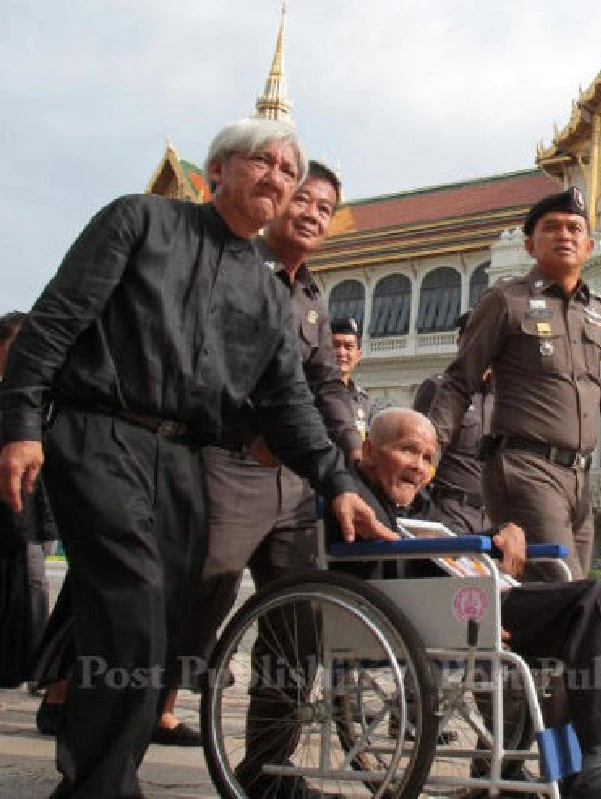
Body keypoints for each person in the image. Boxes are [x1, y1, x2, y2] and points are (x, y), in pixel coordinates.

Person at [0, 117, 394, 799]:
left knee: (163, 627)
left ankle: (97, 773)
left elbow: (290, 403)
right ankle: (103, 784)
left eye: (289, 171)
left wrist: (339, 481)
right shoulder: (140, 222)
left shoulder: (269, 295)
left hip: (186, 462)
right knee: (131, 603)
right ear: (218, 172)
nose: (278, 179)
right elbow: (55, 321)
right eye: (263, 163)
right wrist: (20, 423)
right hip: (101, 433)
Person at [326, 408, 601, 799]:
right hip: (435, 615)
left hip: (463, 605)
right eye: (408, 451)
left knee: (588, 611)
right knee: (589, 601)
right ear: (369, 451)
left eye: (429, 458)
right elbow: (388, 572)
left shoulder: (418, 503)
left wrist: (501, 533)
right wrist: (471, 610)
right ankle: (597, 768)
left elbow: (453, 545)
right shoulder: (355, 500)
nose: (419, 467)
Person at [151, 160, 364, 747]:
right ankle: (145, 709)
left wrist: (351, 454)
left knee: (300, 611)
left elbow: (326, 386)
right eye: (304, 200)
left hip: (294, 476)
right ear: (276, 203)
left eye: (325, 209)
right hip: (229, 459)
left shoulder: (315, 298)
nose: (313, 215)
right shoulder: (235, 266)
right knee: (203, 589)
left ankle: (269, 761)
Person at [427, 187, 601, 580]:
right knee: (560, 584)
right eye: (551, 228)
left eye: (574, 228)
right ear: (531, 244)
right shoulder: (506, 301)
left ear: (589, 245)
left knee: (568, 592)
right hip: (525, 468)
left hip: (578, 479)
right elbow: (459, 380)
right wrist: (428, 450)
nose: (564, 235)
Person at [0, 310, 57, 691]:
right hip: (16, 514)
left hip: (32, 512)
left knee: (32, 585)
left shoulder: (41, 398)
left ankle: (36, 666)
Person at [412, 311, 492, 535]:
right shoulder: (438, 389)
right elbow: (420, 452)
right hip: (450, 512)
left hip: (493, 517)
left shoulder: (505, 398)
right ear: (459, 342)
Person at [331, 316, 371, 436]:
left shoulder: (362, 400)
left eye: (348, 347)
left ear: (358, 355)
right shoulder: (310, 394)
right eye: (335, 346)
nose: (341, 353)